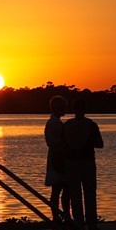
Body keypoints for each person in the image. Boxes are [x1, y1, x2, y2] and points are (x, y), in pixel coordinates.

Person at [64, 99, 103, 230]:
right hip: (87, 162)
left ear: (73, 110)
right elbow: (100, 144)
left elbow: (62, 145)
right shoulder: (91, 125)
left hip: (71, 163)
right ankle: (92, 224)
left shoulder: (67, 125)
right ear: (85, 110)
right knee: (90, 194)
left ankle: (79, 224)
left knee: (75, 195)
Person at [44, 95, 71, 225]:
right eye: (64, 107)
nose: (66, 109)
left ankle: (64, 216)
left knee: (63, 190)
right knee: (58, 190)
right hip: (57, 161)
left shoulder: (56, 122)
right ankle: (58, 217)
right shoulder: (53, 123)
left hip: (60, 160)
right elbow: (52, 143)